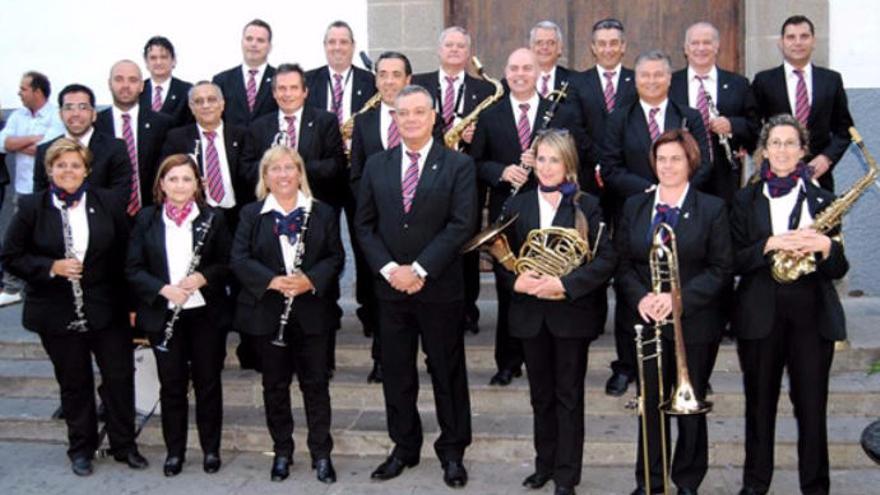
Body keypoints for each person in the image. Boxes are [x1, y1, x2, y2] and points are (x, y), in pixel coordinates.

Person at [0, 138, 147, 476]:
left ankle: (125, 444)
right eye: (61, 165)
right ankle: (81, 448)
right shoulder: (33, 206)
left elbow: (128, 256)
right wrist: (51, 267)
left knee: (119, 378)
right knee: (74, 382)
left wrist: (133, 304)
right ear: (50, 170)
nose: (69, 171)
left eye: (75, 165)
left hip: (107, 307)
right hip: (56, 310)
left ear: (87, 170)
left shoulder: (107, 202)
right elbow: (11, 257)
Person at [355, 85, 477, 488]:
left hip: (440, 288)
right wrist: (391, 269)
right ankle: (404, 447)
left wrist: (420, 269)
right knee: (396, 372)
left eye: (418, 112)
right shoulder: (376, 165)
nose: (410, 119)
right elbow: (364, 225)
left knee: (446, 371)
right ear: (394, 118)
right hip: (390, 290)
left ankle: (453, 450)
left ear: (433, 116)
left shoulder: (458, 165)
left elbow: (462, 225)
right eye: (402, 113)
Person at [730, 114, 848, 495]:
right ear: (765, 150)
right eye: (775, 143)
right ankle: (755, 485)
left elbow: (838, 267)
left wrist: (826, 246)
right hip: (760, 315)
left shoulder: (824, 200)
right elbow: (732, 259)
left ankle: (815, 488)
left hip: (812, 318)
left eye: (790, 143)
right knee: (758, 408)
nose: (782, 150)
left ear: (802, 151)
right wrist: (769, 245)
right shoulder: (745, 199)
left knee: (812, 410)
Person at [499, 129, 616, 495]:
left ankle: (566, 475)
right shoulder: (516, 205)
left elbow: (607, 258)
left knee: (568, 396)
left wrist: (565, 284)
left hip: (570, 314)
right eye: (541, 159)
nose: (547, 167)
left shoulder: (588, 205)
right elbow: (502, 253)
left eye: (554, 159)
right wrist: (514, 282)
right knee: (540, 396)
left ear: (568, 164)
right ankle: (543, 465)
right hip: (530, 313)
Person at [615, 129, 731, 495]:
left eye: (676, 159)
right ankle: (649, 480)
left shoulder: (712, 209)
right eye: (662, 159)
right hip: (646, 322)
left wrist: (677, 299)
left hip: (694, 323)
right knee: (649, 405)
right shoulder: (634, 205)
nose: (668, 166)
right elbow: (621, 263)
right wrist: (641, 298)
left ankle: (687, 481)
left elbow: (721, 269)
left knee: (689, 405)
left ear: (691, 163)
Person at [470, 47, 589, 386]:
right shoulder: (491, 115)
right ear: (505, 72)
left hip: (553, 208)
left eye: (526, 68)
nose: (520, 73)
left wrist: (544, 163)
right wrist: (503, 171)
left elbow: (575, 156)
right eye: (513, 68)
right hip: (509, 211)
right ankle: (508, 361)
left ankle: (549, 349)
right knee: (511, 285)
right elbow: (476, 163)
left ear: (538, 72)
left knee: (551, 276)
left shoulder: (560, 113)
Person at [601, 50, 712, 399]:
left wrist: (674, 191)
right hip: (636, 214)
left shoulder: (689, 116)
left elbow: (704, 163)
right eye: (644, 75)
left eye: (658, 75)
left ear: (669, 78)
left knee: (679, 284)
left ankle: (687, 364)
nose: (651, 80)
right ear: (636, 80)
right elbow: (610, 166)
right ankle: (626, 366)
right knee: (633, 286)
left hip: (683, 213)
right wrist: (651, 192)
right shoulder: (620, 117)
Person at [230, 145, 343, 484]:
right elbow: (239, 258)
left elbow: (335, 258)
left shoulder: (321, 212)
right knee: (274, 386)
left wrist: (310, 280)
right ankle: (282, 451)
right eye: (275, 169)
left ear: (299, 173)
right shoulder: (251, 214)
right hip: (268, 314)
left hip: (312, 314)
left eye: (289, 168)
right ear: (265, 176)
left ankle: (321, 454)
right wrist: (272, 281)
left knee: (316, 385)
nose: (283, 175)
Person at [126, 154, 231, 476]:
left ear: (198, 184)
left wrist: (204, 277)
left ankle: (211, 450)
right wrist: (162, 289)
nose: (179, 185)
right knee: (171, 386)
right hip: (164, 315)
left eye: (186, 179)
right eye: (172, 179)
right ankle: (176, 452)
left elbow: (227, 263)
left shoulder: (213, 218)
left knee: (208, 383)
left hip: (204, 315)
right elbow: (133, 268)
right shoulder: (146, 219)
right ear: (161, 184)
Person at [411, 26, 495, 337]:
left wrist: (476, 136)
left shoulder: (485, 89)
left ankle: (467, 310)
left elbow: (492, 138)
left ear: (468, 53)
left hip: (466, 179)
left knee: (466, 247)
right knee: (427, 240)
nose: (455, 50)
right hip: (425, 178)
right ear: (439, 49)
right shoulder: (418, 84)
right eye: (449, 45)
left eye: (461, 46)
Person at [349, 51, 414, 383]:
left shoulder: (425, 116)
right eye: (383, 74)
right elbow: (357, 175)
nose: (389, 81)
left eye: (396, 74)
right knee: (379, 295)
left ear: (408, 80)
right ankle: (382, 358)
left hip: (418, 224)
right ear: (375, 80)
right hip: (378, 225)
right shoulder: (364, 121)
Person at [751, 15, 854, 192]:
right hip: (775, 176)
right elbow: (751, 125)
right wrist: (770, 156)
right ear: (781, 43)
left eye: (804, 36)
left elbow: (845, 129)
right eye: (791, 37)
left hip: (819, 177)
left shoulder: (831, 80)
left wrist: (826, 158)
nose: (798, 42)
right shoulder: (764, 81)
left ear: (813, 41)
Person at [670, 21, 760, 203]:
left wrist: (732, 125)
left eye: (707, 42)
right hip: (680, 172)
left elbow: (755, 127)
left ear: (717, 46)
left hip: (724, 176)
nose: (701, 48)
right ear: (685, 49)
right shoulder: (671, 84)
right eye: (695, 43)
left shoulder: (738, 84)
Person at [0, 71, 65, 305]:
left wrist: (20, 143)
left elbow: (48, 149)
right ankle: (13, 286)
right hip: (22, 191)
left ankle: (41, 287)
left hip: (46, 190)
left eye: (23, 89)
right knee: (16, 239)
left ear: (37, 91)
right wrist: (31, 140)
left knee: (46, 240)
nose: (19, 93)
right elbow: (3, 143)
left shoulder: (56, 116)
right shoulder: (17, 115)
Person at [160, 81, 253, 233]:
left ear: (222, 104)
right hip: (195, 217)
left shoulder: (242, 135)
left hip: (239, 216)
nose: (205, 105)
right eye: (198, 101)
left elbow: (250, 174)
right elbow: (164, 175)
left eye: (211, 99)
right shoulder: (176, 139)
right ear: (191, 108)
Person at [95, 60, 173, 217]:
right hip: (106, 215)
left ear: (142, 86)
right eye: (119, 79)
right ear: (109, 84)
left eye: (132, 80)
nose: (125, 85)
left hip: (152, 215)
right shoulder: (96, 124)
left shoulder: (163, 124)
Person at [570, 18, 637, 196]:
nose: (608, 49)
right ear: (593, 47)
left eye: (614, 43)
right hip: (589, 174)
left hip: (629, 172)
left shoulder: (639, 81)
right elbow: (576, 128)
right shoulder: (577, 83)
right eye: (602, 44)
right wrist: (602, 160)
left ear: (623, 46)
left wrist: (618, 161)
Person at [34, 84, 132, 203]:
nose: (76, 114)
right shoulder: (44, 151)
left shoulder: (116, 148)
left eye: (83, 107)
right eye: (69, 108)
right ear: (60, 114)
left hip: (103, 219)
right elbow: (39, 201)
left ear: (94, 114)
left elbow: (120, 196)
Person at [305, 20, 376, 126]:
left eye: (343, 42)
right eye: (332, 42)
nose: (337, 48)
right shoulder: (307, 80)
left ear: (353, 46)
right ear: (325, 46)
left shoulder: (370, 81)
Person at [212, 19, 278, 128]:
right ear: (242, 42)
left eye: (260, 40)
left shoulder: (280, 79)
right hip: (232, 143)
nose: (253, 44)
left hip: (269, 144)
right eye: (249, 39)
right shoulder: (222, 80)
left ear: (269, 47)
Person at [139, 36, 194, 128]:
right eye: (153, 58)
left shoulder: (187, 90)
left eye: (164, 57)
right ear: (146, 62)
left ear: (173, 60)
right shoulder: (138, 90)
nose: (158, 62)